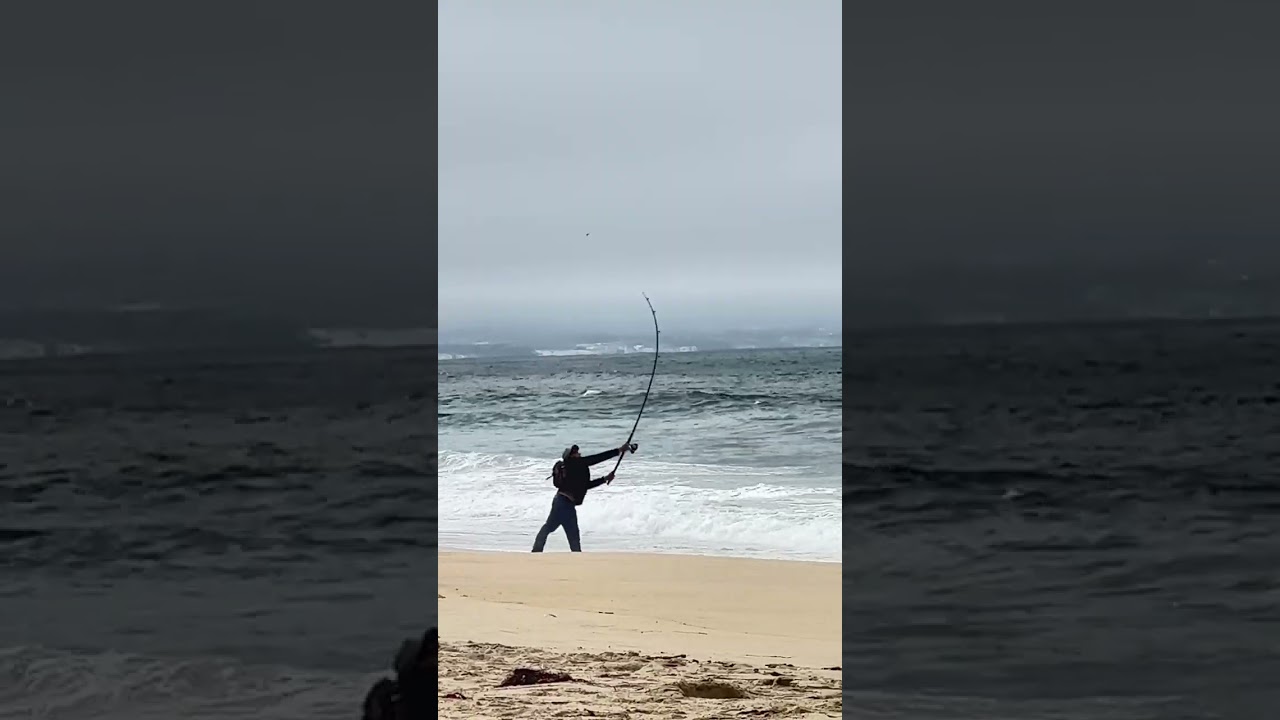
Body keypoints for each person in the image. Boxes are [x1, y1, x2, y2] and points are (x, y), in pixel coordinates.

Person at [531, 441, 636, 552]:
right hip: (564, 504)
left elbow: (586, 485)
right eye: (576, 453)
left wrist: (604, 479)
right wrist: (619, 450)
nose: (579, 454)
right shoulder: (574, 463)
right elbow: (597, 458)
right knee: (572, 535)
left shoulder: (577, 470)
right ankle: (576, 558)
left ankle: (536, 552)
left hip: (561, 502)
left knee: (550, 528)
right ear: (570, 457)